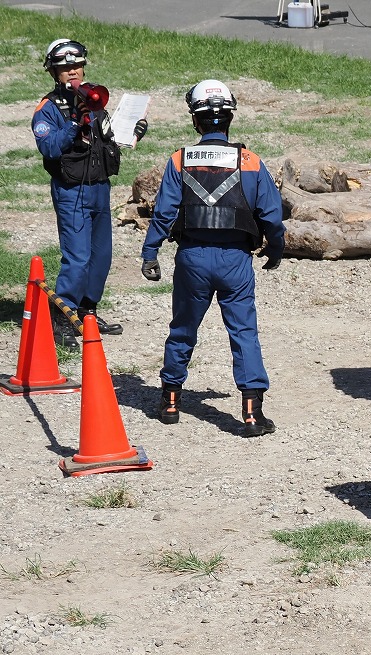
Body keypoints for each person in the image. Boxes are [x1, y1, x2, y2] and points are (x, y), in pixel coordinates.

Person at [140, 80, 286, 438]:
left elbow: (163, 213)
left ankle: (171, 401)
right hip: (236, 261)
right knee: (244, 332)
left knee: (183, 329)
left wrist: (150, 251)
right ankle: (252, 415)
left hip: (192, 258)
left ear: (196, 121)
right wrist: (276, 250)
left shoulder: (179, 160)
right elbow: (271, 215)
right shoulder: (251, 161)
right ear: (230, 119)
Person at [31, 38, 147, 342]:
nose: (72, 71)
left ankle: (87, 311)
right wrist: (73, 123)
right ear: (53, 72)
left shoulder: (93, 98)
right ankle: (61, 317)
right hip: (71, 192)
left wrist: (133, 133)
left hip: (99, 188)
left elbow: (109, 137)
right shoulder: (47, 109)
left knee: (101, 256)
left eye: (77, 65)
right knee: (77, 257)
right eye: (65, 67)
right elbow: (50, 147)